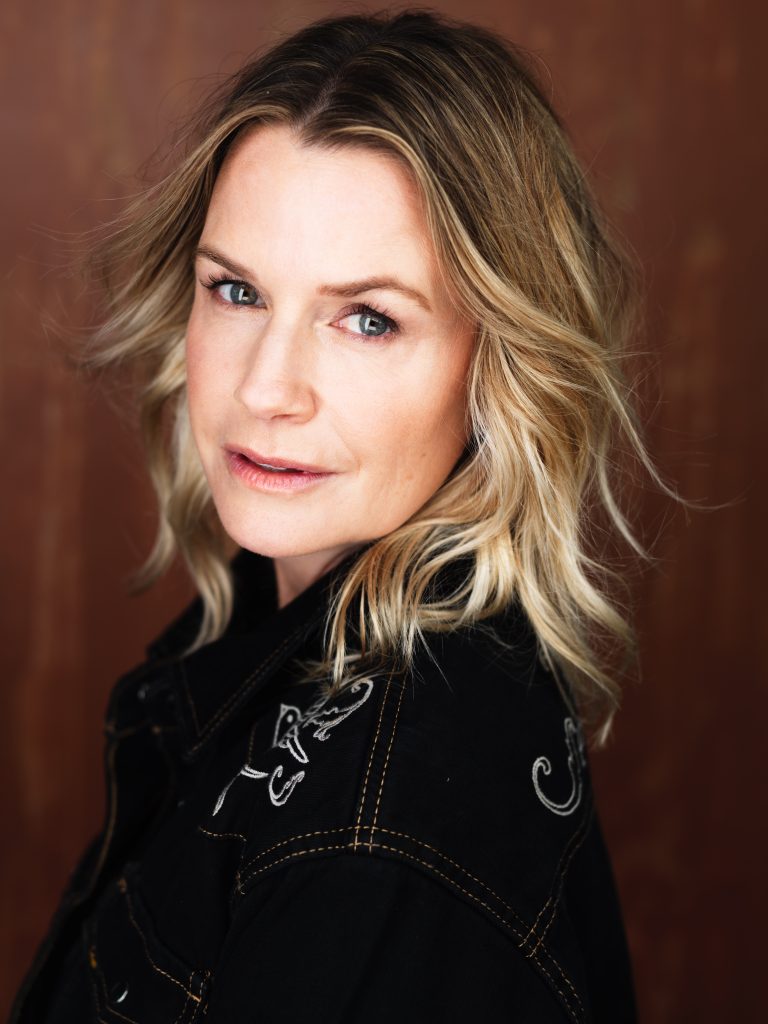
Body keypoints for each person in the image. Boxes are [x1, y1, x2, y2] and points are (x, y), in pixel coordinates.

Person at [9, 8, 673, 1021]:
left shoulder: (378, 852)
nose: (266, 387)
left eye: (368, 318)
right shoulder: (277, 642)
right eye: (236, 291)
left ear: (500, 362)